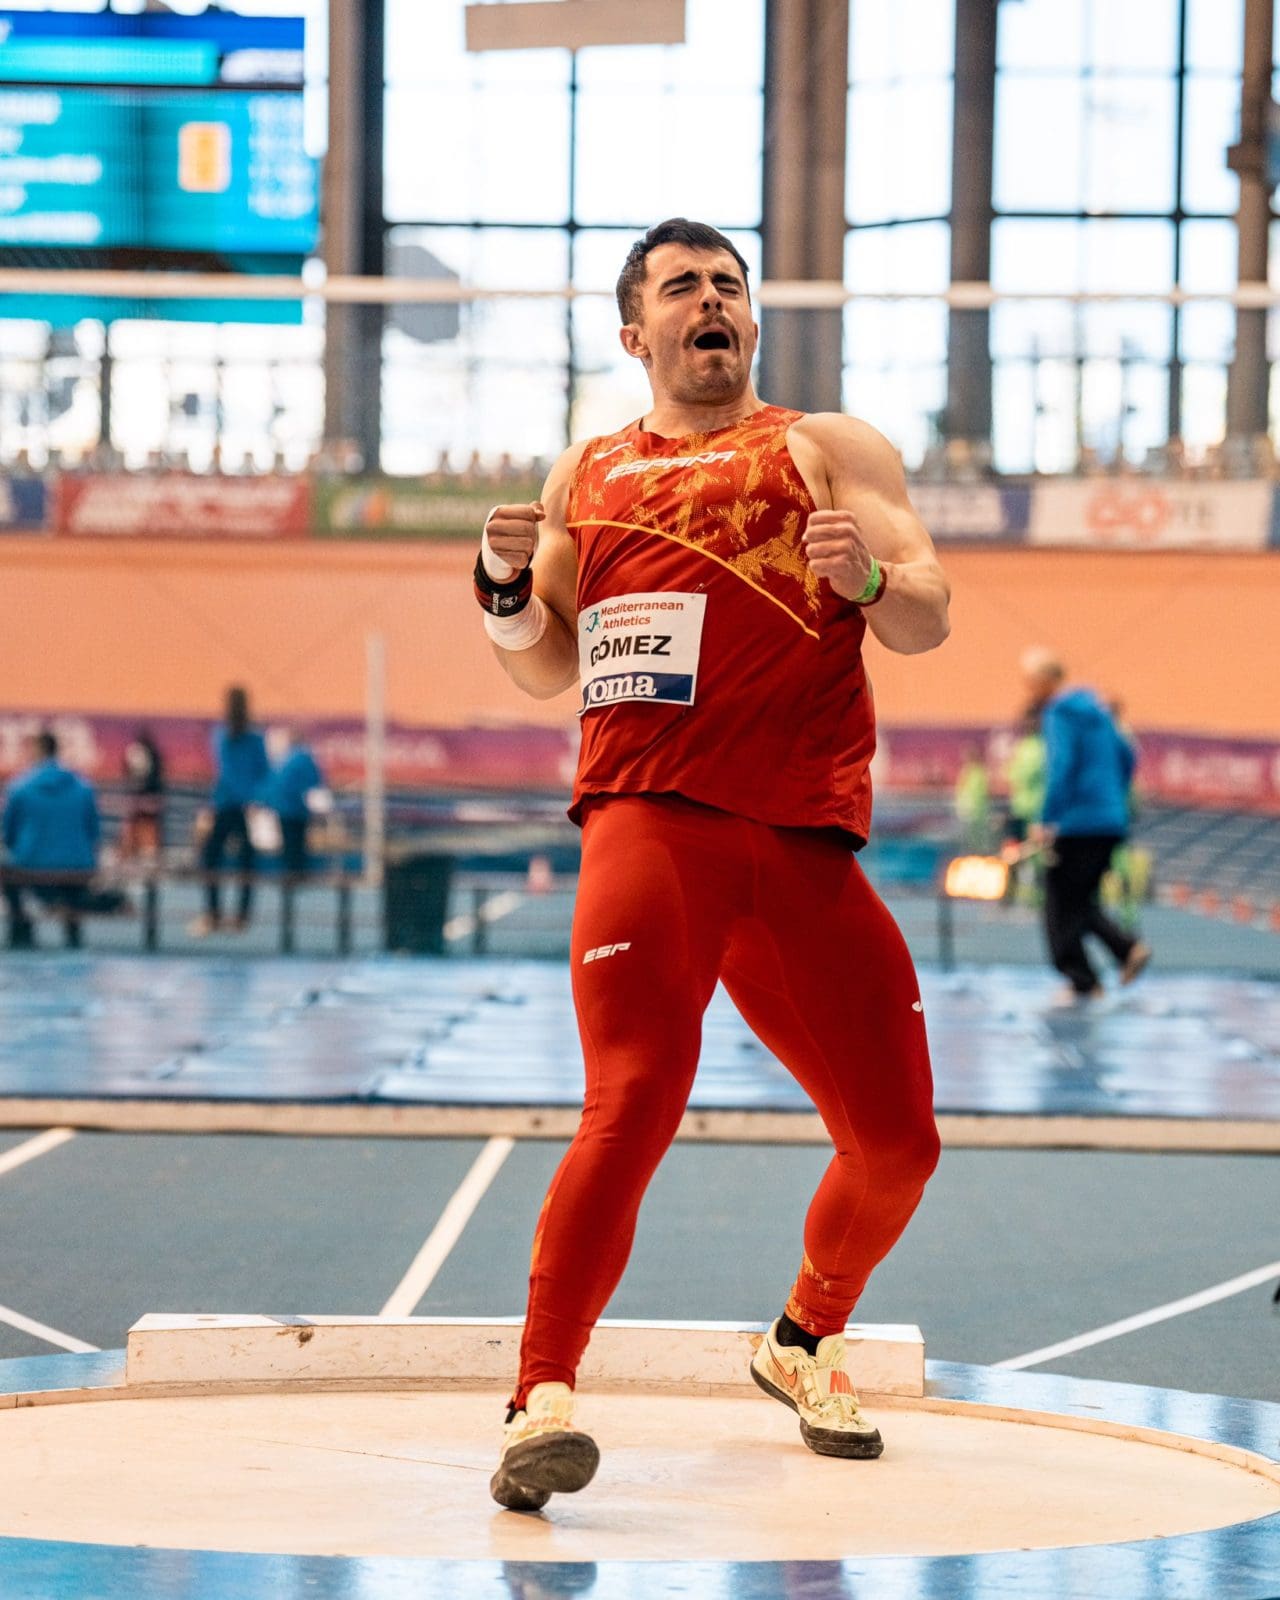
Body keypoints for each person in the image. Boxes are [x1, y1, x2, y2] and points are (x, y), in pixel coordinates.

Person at [475, 218, 951, 1512]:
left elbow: (927, 615)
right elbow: (545, 666)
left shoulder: (824, 447)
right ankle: (539, 1399)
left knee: (898, 1145)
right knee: (632, 1096)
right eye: (682, 286)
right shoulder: (587, 473)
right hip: (653, 824)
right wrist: (502, 589)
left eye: (728, 285)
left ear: (750, 318)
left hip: (800, 842)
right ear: (636, 332)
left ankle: (802, 1338)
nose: (712, 302)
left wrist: (870, 583)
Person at [1021, 648, 1151, 998]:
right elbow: (1127, 755)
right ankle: (1125, 951)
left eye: (1030, 681)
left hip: (1076, 825)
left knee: (1059, 906)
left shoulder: (1058, 713)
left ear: (1043, 681)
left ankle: (1085, 980)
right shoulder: (1099, 711)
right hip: (1110, 822)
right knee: (1077, 902)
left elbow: (1061, 766)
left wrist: (1047, 819)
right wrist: (1111, 797)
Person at [1, 729, 101, 949]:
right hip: (78, 865)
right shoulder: (84, 788)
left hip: (29, 865)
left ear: (37, 751)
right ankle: (72, 929)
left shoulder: (19, 788)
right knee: (74, 875)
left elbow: (8, 834)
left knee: (5, 870)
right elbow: (94, 832)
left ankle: (20, 925)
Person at [189, 686, 269, 936]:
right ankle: (241, 916)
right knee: (245, 861)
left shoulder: (223, 735)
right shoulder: (251, 737)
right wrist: (254, 798)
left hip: (228, 805)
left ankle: (214, 914)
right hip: (242, 806)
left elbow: (225, 773)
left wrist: (226, 800)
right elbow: (262, 771)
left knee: (212, 858)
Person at [263, 726, 329, 876]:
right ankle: (296, 873)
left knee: (290, 844)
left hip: (286, 809)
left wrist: (269, 801)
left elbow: (275, 784)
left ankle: (291, 873)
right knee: (297, 844)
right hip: (297, 809)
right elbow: (314, 781)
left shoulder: (285, 760)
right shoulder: (303, 759)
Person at [120, 727, 166, 859]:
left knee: (145, 826)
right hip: (148, 796)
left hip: (145, 796)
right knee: (143, 826)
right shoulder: (149, 753)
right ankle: (142, 851)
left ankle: (142, 851)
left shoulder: (138, 753)